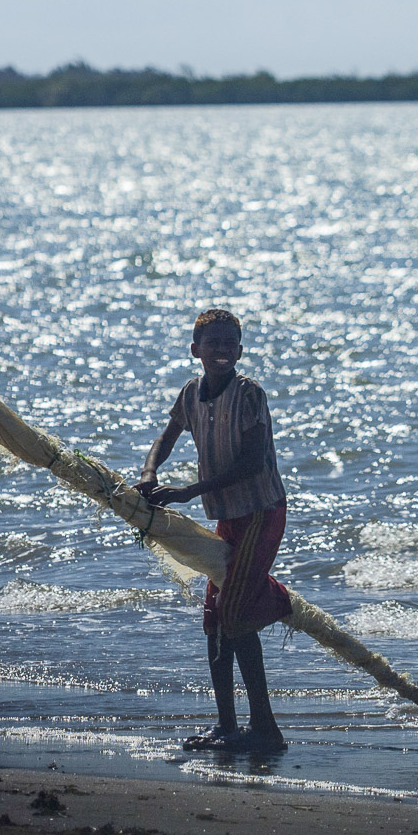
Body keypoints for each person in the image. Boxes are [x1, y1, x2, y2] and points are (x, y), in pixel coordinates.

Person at [135, 308, 292, 752]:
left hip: (261, 512)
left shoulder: (249, 394)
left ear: (240, 351)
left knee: (237, 617)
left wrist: (188, 491)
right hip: (227, 518)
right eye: (213, 344)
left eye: (230, 344)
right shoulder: (191, 393)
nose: (222, 351)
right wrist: (149, 474)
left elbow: (252, 463)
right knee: (216, 621)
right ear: (195, 350)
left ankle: (265, 729)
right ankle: (226, 726)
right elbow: (166, 438)